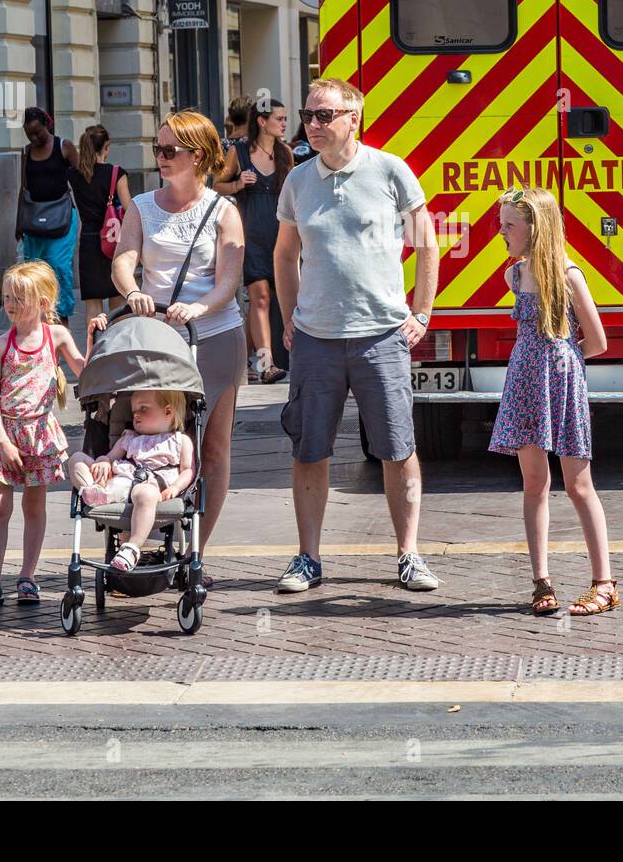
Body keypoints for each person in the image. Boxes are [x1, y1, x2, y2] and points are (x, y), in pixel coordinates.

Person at [273, 77, 441, 594]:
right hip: (316, 338)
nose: (313, 125)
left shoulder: (390, 171)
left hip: (380, 336)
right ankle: (307, 557)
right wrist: (289, 319)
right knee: (309, 449)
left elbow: (428, 245)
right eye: (309, 115)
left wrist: (421, 315)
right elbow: (284, 254)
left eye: (325, 115)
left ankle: (409, 554)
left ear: (354, 117)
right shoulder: (298, 180)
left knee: (396, 447)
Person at [101, 110, 245, 575]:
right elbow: (124, 260)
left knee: (213, 447)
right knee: (154, 433)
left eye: (170, 151)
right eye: (158, 149)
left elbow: (228, 281)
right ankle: (148, 528)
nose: (160, 158)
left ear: (198, 156)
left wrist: (202, 308)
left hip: (215, 336)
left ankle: (198, 546)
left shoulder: (224, 211)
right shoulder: (142, 205)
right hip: (156, 337)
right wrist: (134, 290)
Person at [491, 187, 616, 617]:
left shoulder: (568, 274)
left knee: (579, 485)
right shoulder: (514, 274)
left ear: (535, 227)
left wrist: (563, 358)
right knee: (533, 484)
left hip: (560, 385)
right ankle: (541, 581)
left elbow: (598, 340)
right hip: (525, 383)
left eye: (509, 224)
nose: (501, 232)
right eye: (501, 223)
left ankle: (604, 582)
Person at [0, 261, 86, 609]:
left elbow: (84, 369)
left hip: (39, 433)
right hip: (3, 433)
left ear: (44, 302)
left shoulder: (57, 336)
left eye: (19, 298)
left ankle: (28, 576)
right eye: (7, 297)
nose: (10, 305)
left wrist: (95, 337)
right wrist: (3, 441)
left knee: (34, 506)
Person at [66, 389, 194, 572]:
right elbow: (109, 457)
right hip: (120, 480)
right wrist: (103, 462)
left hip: (151, 484)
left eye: (143, 409)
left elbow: (188, 470)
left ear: (168, 412)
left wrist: (176, 487)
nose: (136, 415)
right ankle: (92, 491)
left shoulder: (180, 441)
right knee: (77, 458)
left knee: (145, 493)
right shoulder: (129, 437)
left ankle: (132, 548)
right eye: (134, 410)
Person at [215, 98, 293, 383]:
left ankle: (241, 358)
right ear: (262, 122)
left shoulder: (285, 153)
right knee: (259, 297)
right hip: (250, 233)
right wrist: (237, 184)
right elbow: (216, 184)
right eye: (280, 119)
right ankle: (265, 365)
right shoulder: (239, 152)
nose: (285, 123)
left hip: (282, 234)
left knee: (276, 298)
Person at [15, 107, 79, 325]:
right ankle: (37, 318)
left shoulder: (64, 146)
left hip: (61, 218)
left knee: (58, 265)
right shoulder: (26, 152)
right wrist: (18, 222)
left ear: (47, 125)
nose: (34, 138)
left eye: (37, 133)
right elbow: (23, 187)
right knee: (33, 269)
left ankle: (62, 315)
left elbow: (81, 179)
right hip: (34, 219)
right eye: (29, 134)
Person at [68, 125, 134, 323]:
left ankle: (94, 349)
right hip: (113, 242)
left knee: (93, 306)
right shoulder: (116, 173)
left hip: (88, 242)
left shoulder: (74, 174)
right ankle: (117, 348)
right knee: (118, 301)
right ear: (106, 147)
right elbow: (129, 208)